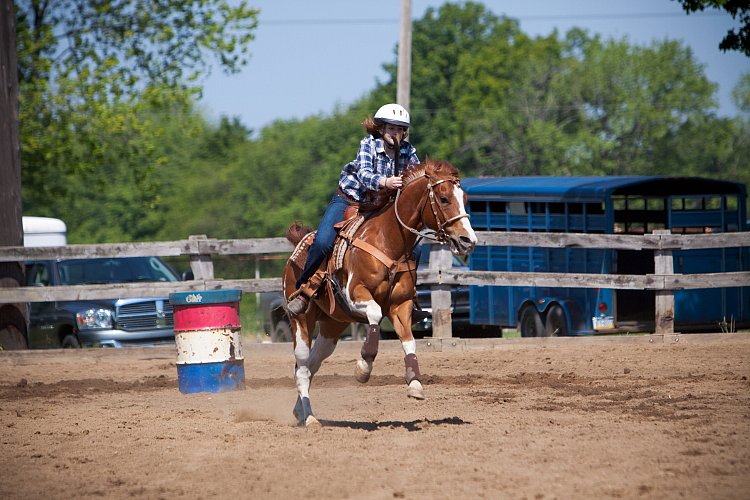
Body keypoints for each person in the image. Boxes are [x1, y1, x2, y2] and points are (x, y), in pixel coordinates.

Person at [286, 103, 420, 315]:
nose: (396, 133)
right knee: (322, 242)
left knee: (414, 247)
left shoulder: (408, 151)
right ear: (381, 128)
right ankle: (305, 289)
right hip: (350, 199)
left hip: (380, 205)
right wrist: (386, 182)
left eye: (400, 129)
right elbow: (365, 175)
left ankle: (408, 293)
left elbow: (416, 176)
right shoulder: (368, 144)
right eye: (392, 128)